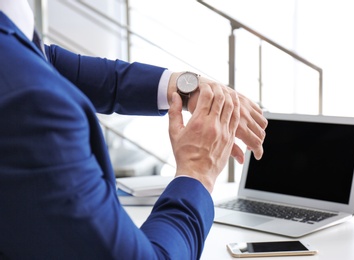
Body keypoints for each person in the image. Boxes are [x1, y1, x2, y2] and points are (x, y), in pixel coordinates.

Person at [0, 0, 267, 259]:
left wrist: (183, 87)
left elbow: (51, 62)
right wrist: (197, 172)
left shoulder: (11, 30)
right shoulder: (31, 104)